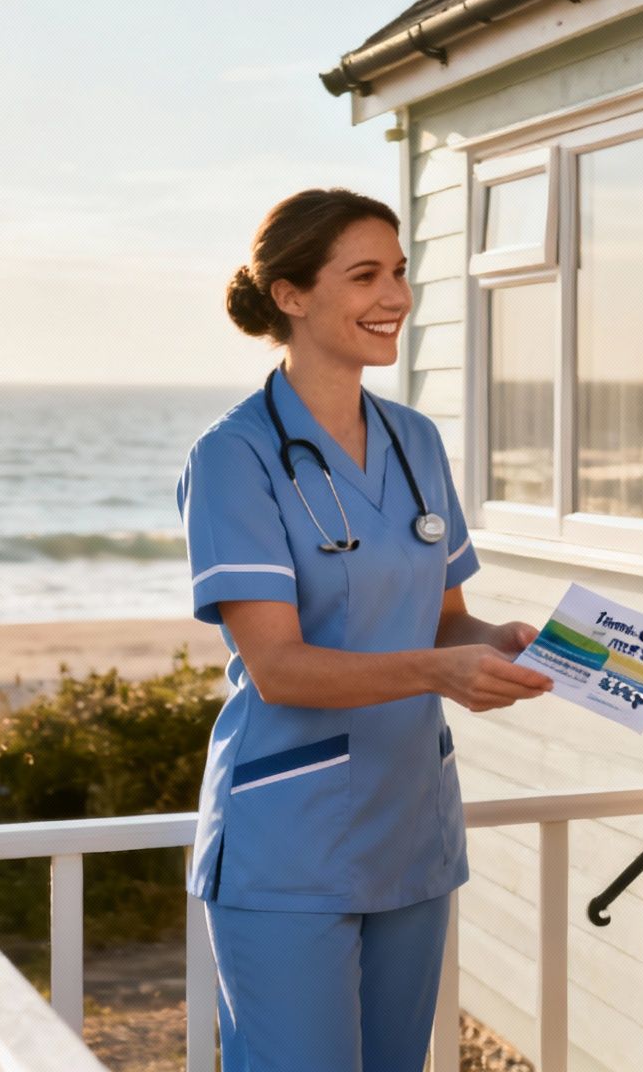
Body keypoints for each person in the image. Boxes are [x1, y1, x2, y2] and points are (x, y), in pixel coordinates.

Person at [178, 188, 553, 1072]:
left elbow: (446, 619)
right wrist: (437, 672)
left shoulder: (414, 441)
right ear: (291, 295)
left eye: (399, 272)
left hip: (411, 828)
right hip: (287, 838)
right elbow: (278, 668)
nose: (395, 296)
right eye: (364, 276)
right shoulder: (234, 457)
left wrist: (500, 642)